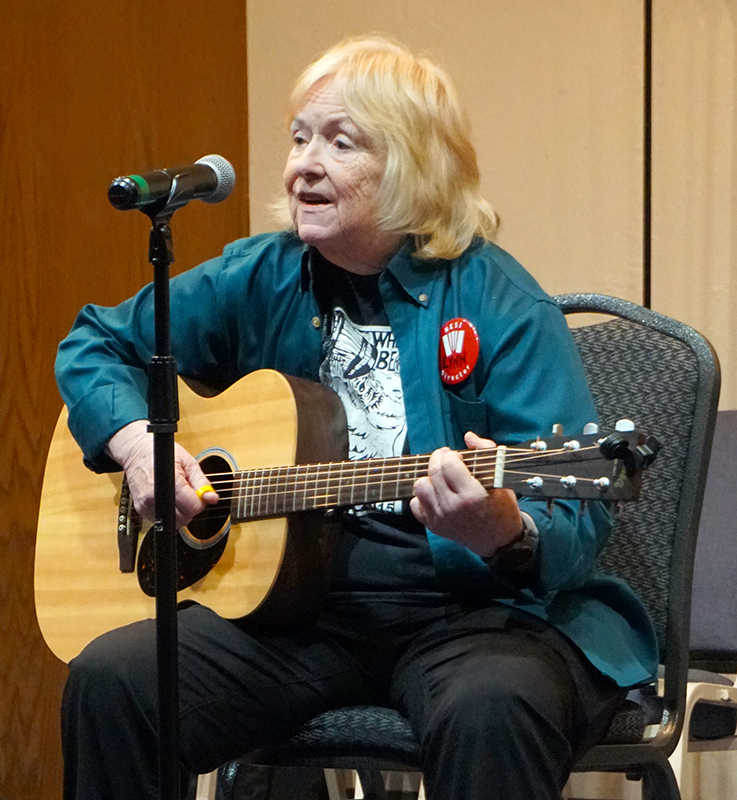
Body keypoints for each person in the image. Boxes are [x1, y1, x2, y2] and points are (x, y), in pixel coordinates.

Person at [56, 36, 657, 800]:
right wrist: (137, 442)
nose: (304, 163)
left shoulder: (502, 303)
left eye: (340, 142)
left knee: (494, 707)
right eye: (299, 137)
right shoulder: (260, 274)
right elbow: (94, 342)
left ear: (411, 167)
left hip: (468, 618)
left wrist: (505, 531)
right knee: (115, 681)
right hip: (294, 614)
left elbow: (571, 520)